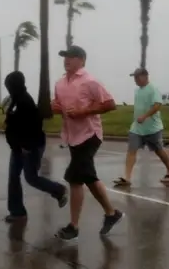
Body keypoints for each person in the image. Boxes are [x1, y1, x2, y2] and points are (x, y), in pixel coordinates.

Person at [51, 45, 124, 242]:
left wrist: (84, 111)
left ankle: (73, 227)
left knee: (75, 178)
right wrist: (55, 108)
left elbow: (110, 104)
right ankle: (111, 213)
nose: (67, 60)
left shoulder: (90, 81)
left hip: (90, 135)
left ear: (82, 60)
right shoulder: (59, 83)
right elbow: (56, 105)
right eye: (65, 57)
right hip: (72, 136)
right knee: (88, 177)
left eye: (72, 57)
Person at [3, 71, 68, 223]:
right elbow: (12, 121)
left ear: (16, 85)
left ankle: (58, 190)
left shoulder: (25, 101)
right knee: (13, 177)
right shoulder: (15, 100)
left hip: (30, 146)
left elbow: (34, 126)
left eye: (9, 85)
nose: (8, 88)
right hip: (18, 147)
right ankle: (17, 212)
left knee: (31, 177)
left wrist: (27, 146)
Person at [113, 68, 169, 186]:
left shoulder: (153, 89)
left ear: (145, 77)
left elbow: (157, 105)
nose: (135, 80)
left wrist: (145, 116)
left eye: (137, 77)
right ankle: (127, 177)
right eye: (134, 78)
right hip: (137, 128)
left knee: (159, 150)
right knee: (131, 150)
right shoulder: (137, 90)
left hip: (152, 128)